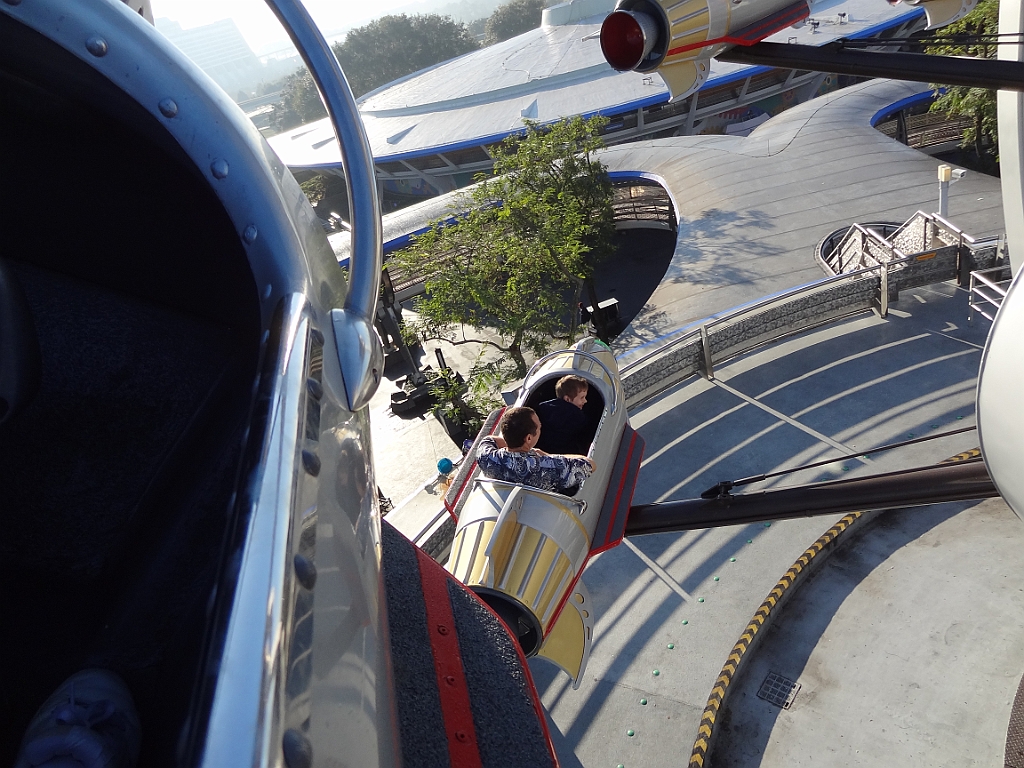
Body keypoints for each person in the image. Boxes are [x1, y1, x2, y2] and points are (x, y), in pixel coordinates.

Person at [476, 406, 594, 495]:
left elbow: (489, 439)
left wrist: (514, 443)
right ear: (528, 438)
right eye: (539, 427)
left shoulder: (487, 458)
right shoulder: (547, 466)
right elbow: (590, 464)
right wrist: (547, 456)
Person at [535, 375, 592, 456]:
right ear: (567, 399)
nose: (585, 401)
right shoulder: (578, 417)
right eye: (582, 398)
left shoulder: (541, 409)